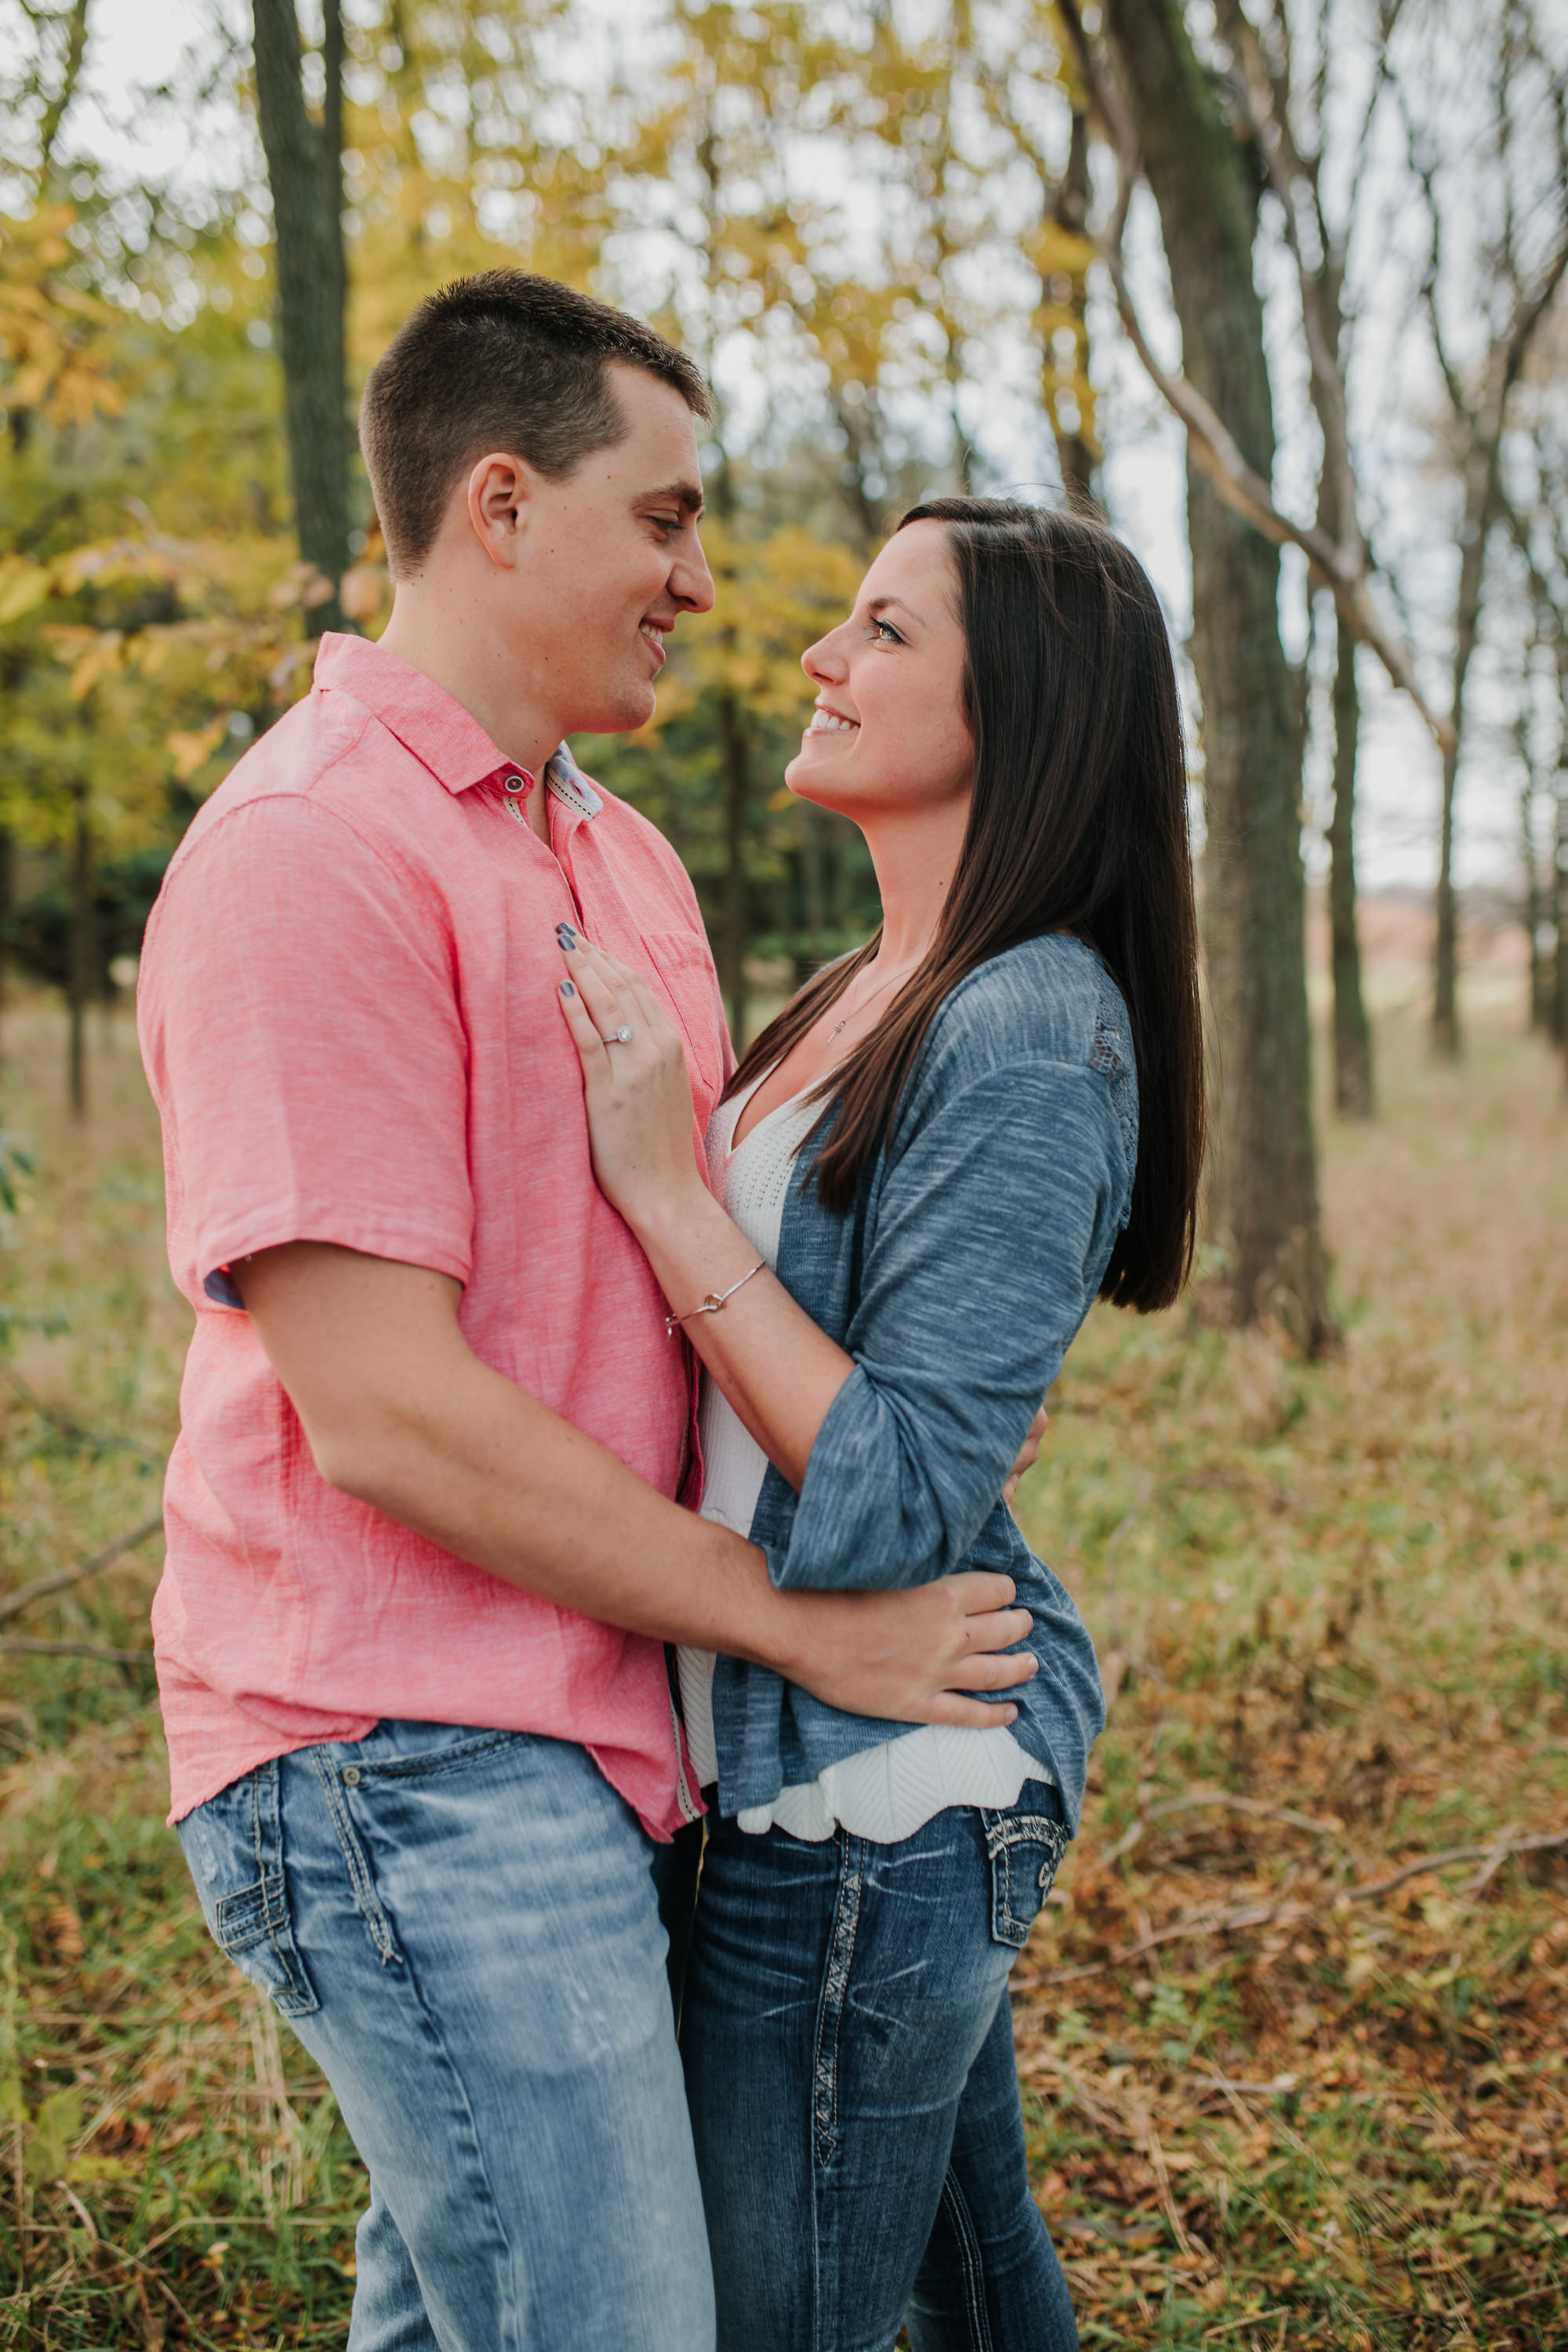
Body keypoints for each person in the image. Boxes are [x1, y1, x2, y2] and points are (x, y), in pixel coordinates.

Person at [136, 277, 1040, 2352]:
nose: (704, 584)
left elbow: (684, 1277)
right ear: (503, 501)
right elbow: (383, 1413)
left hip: (609, 1735)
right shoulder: (310, 851)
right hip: (402, 1751)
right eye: (667, 521)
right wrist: (800, 1623)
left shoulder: (624, 863)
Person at [554, 495, 1206, 2350]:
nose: (823, 661)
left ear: (1028, 711)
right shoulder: (865, 988)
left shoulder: (1027, 1023)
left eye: (883, 631)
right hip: (801, 1765)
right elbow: (862, 1400)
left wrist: (670, 1197)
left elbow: (903, 1487)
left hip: (873, 1804)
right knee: (978, 2287)